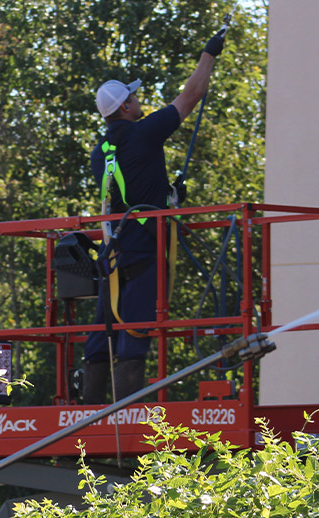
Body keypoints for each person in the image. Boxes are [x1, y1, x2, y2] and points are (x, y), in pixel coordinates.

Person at [82, 29, 226, 404]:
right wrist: (209, 53)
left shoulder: (100, 152)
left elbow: (126, 190)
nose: (138, 99)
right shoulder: (144, 133)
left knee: (105, 324)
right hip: (145, 250)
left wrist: (166, 195)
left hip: (114, 253)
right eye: (133, 96)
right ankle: (127, 406)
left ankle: (88, 404)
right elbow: (191, 94)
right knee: (137, 327)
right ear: (125, 108)